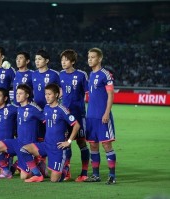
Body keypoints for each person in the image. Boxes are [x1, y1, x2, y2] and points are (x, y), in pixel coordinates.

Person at [20, 83, 80, 183]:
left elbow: (76, 125)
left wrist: (69, 142)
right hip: (46, 145)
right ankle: (38, 175)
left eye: (49, 94)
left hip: (58, 148)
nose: (47, 97)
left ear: (56, 95)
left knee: (54, 180)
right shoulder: (46, 108)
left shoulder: (62, 110)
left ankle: (65, 169)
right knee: (24, 150)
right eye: (45, 94)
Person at [0, 84, 44, 179]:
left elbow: (46, 121)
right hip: (18, 142)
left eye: (20, 93)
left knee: (24, 177)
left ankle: (35, 163)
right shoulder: (18, 108)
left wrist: (41, 139)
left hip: (28, 146)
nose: (17, 95)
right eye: (17, 93)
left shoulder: (34, 108)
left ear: (27, 95)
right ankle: (6, 171)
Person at [83, 47, 117, 185]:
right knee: (93, 146)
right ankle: (96, 175)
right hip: (90, 117)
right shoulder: (90, 75)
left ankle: (112, 176)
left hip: (103, 116)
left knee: (107, 145)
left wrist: (107, 113)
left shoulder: (105, 74)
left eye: (92, 57)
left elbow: (111, 95)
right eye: (88, 57)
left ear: (100, 59)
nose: (90, 59)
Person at [59, 49, 90, 182]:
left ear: (72, 61)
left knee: (82, 143)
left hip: (79, 114)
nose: (63, 62)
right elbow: (59, 91)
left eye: (66, 60)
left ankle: (84, 172)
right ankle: (67, 171)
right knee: (67, 143)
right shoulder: (60, 75)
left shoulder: (82, 75)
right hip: (65, 116)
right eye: (62, 60)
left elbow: (89, 93)